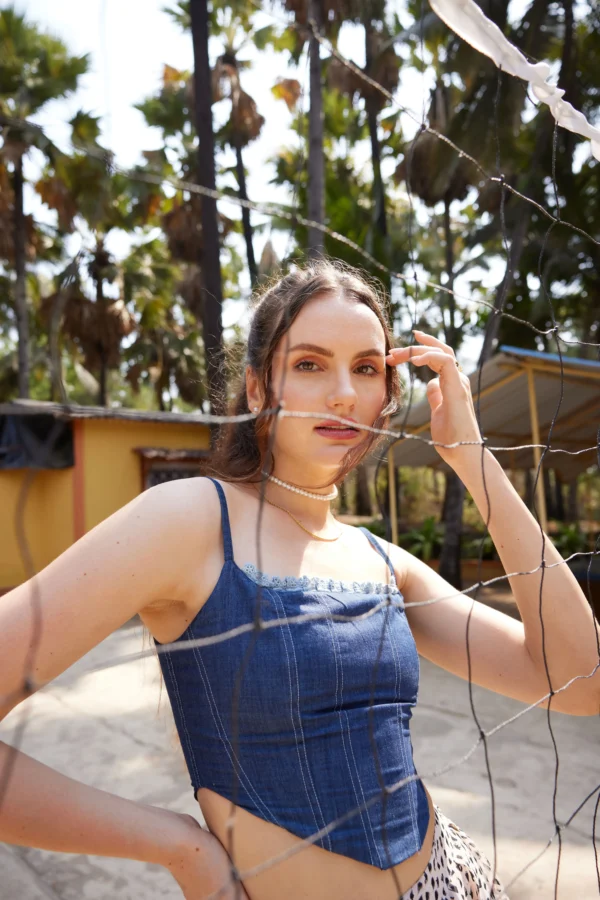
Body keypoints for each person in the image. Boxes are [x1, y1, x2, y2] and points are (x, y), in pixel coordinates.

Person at [0, 259, 598, 900]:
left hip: (452, 882)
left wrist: (473, 460)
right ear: (259, 389)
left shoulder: (383, 560)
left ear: (386, 397)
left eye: (366, 368)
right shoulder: (193, 520)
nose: (343, 392)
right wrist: (180, 846)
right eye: (310, 364)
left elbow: (577, 680)